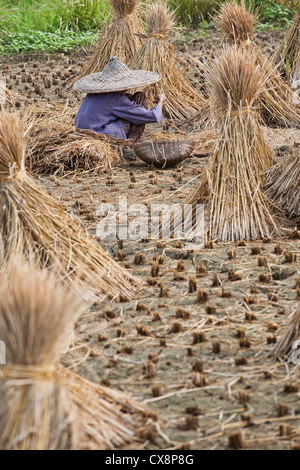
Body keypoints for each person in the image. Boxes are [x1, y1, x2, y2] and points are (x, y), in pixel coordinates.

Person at [74, 57, 167, 143]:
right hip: (99, 136)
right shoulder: (115, 99)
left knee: (137, 97)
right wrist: (160, 102)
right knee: (140, 103)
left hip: (82, 133)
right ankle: (131, 145)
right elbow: (153, 116)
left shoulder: (93, 93)